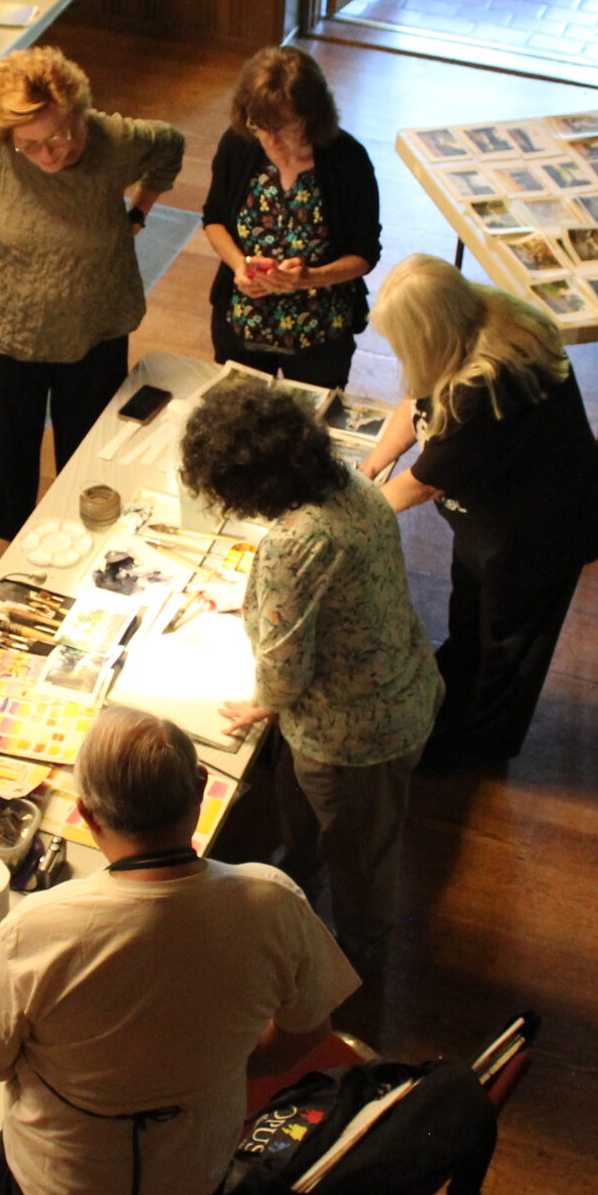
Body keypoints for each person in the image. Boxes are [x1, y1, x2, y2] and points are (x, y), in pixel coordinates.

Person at [0, 708, 356, 1195]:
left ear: (86, 815)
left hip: (63, 1175)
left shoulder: (37, 927)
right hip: (190, 1169)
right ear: (200, 791)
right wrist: (219, 1068)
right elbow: (307, 1028)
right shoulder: (272, 901)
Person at [179, 381, 439, 974]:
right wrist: (256, 598)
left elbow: (284, 674)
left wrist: (262, 702)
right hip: (402, 685)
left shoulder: (293, 545)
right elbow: (333, 588)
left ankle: (358, 956)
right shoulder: (352, 485)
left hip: (354, 738)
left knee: (360, 856)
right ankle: (303, 875)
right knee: (320, 819)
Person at [0, 47, 185, 538]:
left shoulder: (115, 141)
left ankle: (88, 538)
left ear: (80, 116)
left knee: (93, 452)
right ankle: (9, 546)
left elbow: (171, 147)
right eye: (28, 144)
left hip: (93, 320)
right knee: (5, 453)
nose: (48, 155)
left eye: (59, 136)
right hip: (10, 322)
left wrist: (139, 210)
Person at [361, 254, 598, 772]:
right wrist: (370, 466)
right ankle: (452, 700)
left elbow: (423, 482)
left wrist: (347, 514)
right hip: (489, 524)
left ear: (430, 330)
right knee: (471, 618)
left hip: (537, 536)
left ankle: (475, 748)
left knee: (509, 647)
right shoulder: (470, 322)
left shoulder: (488, 385)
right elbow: (416, 400)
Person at [201, 47, 381, 389]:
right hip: (242, 323)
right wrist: (239, 266)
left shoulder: (348, 160)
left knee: (313, 415)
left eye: (283, 127)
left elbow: (365, 253)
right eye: (259, 126)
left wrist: (309, 277)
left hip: (320, 331)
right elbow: (214, 219)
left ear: (312, 117)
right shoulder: (240, 144)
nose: (270, 140)